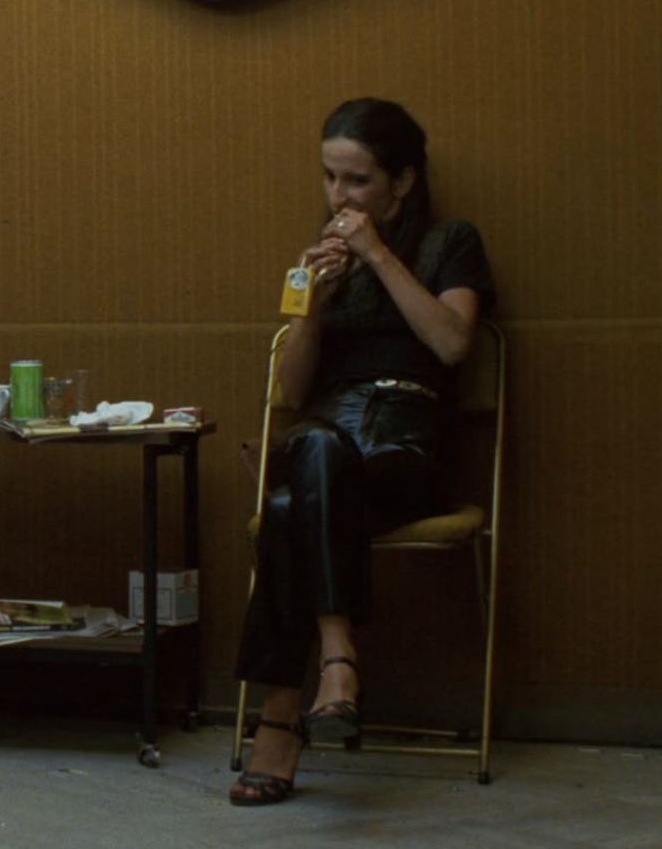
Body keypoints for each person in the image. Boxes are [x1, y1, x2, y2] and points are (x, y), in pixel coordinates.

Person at [230, 98, 496, 806]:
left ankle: (278, 725)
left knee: (286, 504)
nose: (339, 198)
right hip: (329, 430)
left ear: (401, 181)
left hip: (406, 443)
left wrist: (377, 256)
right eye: (329, 178)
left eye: (357, 181)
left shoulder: (449, 243)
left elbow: (453, 343)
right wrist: (312, 307)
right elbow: (291, 392)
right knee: (314, 446)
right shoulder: (314, 263)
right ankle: (338, 658)